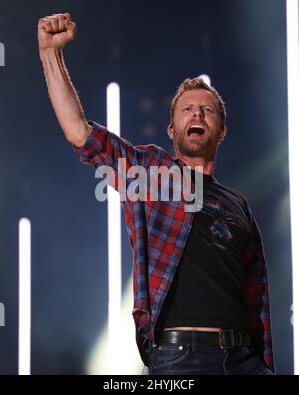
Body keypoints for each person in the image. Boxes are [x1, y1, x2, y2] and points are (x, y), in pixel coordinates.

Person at [38, 13, 275, 375]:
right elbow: (80, 134)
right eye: (187, 109)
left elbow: (256, 300)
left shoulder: (238, 204)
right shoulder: (150, 174)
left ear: (221, 130)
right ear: (172, 128)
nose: (197, 112)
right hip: (182, 358)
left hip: (244, 359)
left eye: (207, 109)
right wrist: (50, 55)